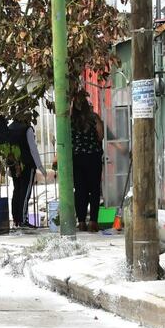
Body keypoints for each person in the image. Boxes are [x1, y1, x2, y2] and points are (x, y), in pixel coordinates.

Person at [0, 117, 44, 228]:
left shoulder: (9, 128)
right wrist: (40, 166)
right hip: (27, 164)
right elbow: (33, 149)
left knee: (17, 191)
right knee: (25, 192)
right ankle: (23, 219)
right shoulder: (27, 129)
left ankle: (16, 220)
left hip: (14, 165)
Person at [71, 95, 104, 232]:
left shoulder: (70, 120)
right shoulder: (94, 118)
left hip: (77, 158)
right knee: (94, 189)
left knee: (80, 190)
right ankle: (93, 222)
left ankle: (81, 222)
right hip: (93, 157)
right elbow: (101, 136)